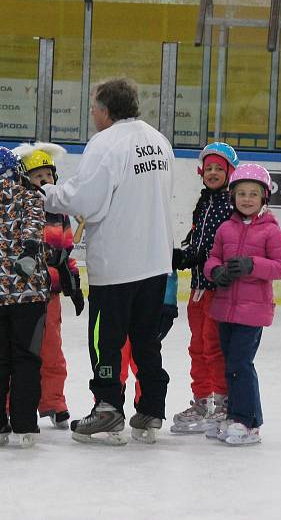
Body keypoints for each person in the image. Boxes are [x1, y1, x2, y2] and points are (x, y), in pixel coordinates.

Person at [40, 78, 175, 445]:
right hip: (155, 261)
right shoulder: (158, 141)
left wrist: (46, 194)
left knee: (106, 341)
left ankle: (108, 408)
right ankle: (150, 409)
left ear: (105, 109)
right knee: (147, 340)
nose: (92, 114)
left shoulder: (106, 143)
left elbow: (85, 200)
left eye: (93, 107)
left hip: (117, 264)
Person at [203, 163, 281, 445]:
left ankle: (247, 421)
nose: (247, 199)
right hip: (225, 308)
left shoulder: (270, 231)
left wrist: (252, 265)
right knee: (230, 365)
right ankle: (235, 415)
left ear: (264, 197)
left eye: (254, 194)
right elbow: (213, 258)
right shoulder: (226, 228)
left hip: (252, 313)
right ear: (233, 197)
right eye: (242, 193)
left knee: (241, 363)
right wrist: (215, 271)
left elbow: (280, 267)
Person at [0, 146, 49, 448]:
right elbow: (34, 228)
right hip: (27, 291)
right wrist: (30, 252)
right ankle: (24, 426)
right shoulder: (29, 196)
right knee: (26, 358)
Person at [166, 142, 238, 434]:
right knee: (197, 346)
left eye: (219, 168)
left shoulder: (231, 204)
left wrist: (203, 256)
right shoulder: (204, 202)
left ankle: (221, 404)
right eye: (208, 168)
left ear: (230, 172)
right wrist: (186, 253)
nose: (212, 172)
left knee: (213, 347)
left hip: (218, 289)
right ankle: (202, 399)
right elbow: (198, 238)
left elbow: (228, 245)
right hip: (198, 286)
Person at [13, 142, 85, 430]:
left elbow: (67, 250)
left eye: (48, 177)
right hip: (25, 293)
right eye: (37, 177)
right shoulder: (18, 212)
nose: (44, 182)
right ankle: (12, 403)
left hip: (51, 293)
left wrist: (74, 283)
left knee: (52, 350)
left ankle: (53, 402)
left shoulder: (59, 213)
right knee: (20, 350)